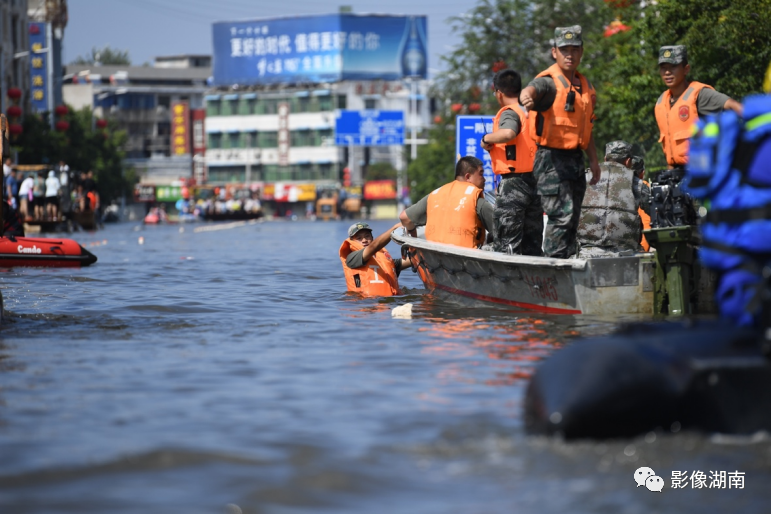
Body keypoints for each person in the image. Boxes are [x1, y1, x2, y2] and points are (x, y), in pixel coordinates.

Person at [520, 25, 601, 258]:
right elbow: (534, 89)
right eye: (564, 49)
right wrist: (526, 95)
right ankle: (553, 267)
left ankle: (566, 265)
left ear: (581, 52)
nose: (570, 54)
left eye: (575, 49)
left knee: (574, 218)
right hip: (551, 160)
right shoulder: (549, 82)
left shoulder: (585, 87)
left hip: (575, 160)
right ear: (554, 52)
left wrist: (593, 160)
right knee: (560, 216)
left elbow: (588, 127)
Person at [481, 68, 542, 255]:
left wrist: (487, 139)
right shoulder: (532, 112)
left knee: (507, 242)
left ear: (499, 93)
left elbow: (508, 133)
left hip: (515, 184)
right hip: (536, 183)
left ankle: (507, 282)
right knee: (532, 244)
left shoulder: (509, 112)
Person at [655, 45, 743, 169]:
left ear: (686, 69)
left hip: (703, 170)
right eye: (664, 68)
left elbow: (735, 106)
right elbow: (672, 150)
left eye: (673, 67)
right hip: (679, 174)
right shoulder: (661, 102)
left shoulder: (700, 94)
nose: (668, 72)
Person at [398, 156, 494, 248]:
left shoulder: (435, 194)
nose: (484, 179)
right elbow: (501, 232)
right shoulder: (477, 200)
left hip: (433, 257)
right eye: (481, 174)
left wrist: (413, 235)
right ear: (468, 177)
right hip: (465, 259)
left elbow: (404, 217)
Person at [577, 141, 649, 258]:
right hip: (625, 254)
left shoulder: (584, 179)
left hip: (586, 253)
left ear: (605, 158)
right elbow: (655, 213)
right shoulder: (637, 184)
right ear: (628, 161)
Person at [339, 222, 411, 297]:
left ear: (372, 238)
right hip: (365, 303)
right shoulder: (352, 258)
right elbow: (373, 247)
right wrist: (394, 228)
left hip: (389, 303)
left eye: (367, 236)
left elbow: (411, 261)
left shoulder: (383, 259)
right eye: (359, 238)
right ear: (352, 241)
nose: (364, 240)